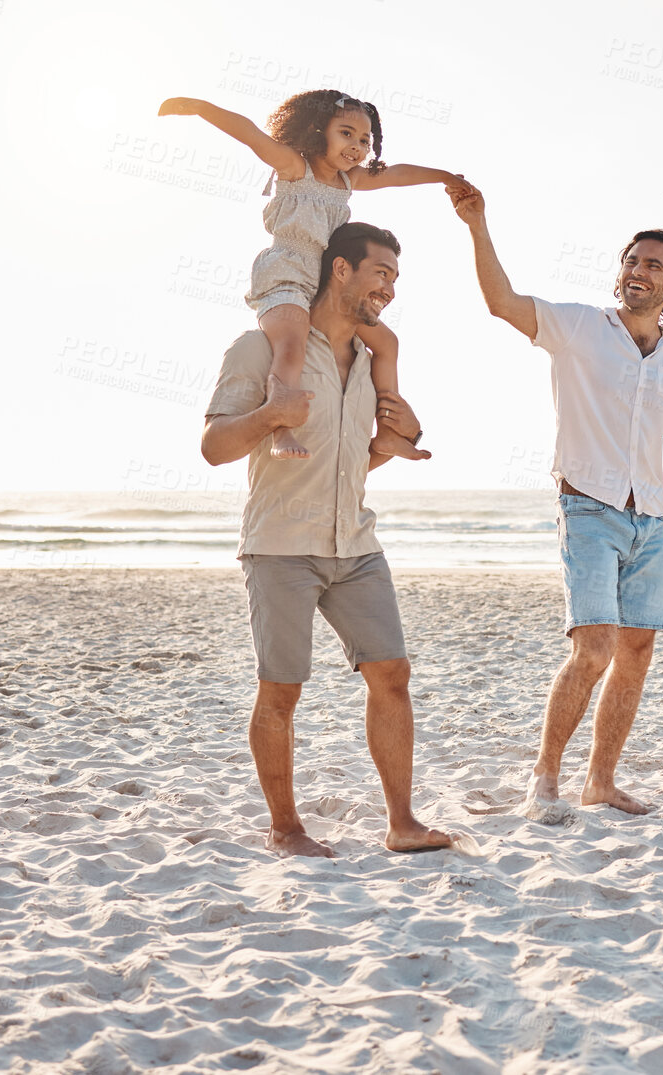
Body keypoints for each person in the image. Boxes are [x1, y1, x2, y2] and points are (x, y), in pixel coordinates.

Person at [448, 184, 663, 822]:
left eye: (652, 265)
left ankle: (601, 782)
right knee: (594, 650)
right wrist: (477, 224)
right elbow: (502, 302)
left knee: (636, 654)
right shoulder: (581, 327)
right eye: (631, 261)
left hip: (652, 524)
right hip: (588, 511)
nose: (637, 272)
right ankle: (545, 778)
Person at [201, 220, 450, 856]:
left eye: (395, 277)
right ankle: (285, 829)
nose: (389, 289)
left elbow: (350, 462)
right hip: (281, 546)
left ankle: (403, 822)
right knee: (282, 690)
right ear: (340, 269)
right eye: (381, 274)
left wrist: (400, 442)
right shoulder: (261, 350)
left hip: (356, 546)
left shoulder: (370, 365)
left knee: (392, 674)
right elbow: (213, 447)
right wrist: (268, 416)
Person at [163, 89, 467, 460]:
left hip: (325, 287)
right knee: (292, 345)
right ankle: (281, 430)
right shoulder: (294, 167)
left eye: (364, 139)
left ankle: (387, 432)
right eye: (346, 133)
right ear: (316, 130)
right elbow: (251, 135)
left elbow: (397, 174)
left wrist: (445, 176)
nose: (356, 146)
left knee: (387, 344)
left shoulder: (349, 181)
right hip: (286, 277)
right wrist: (199, 108)